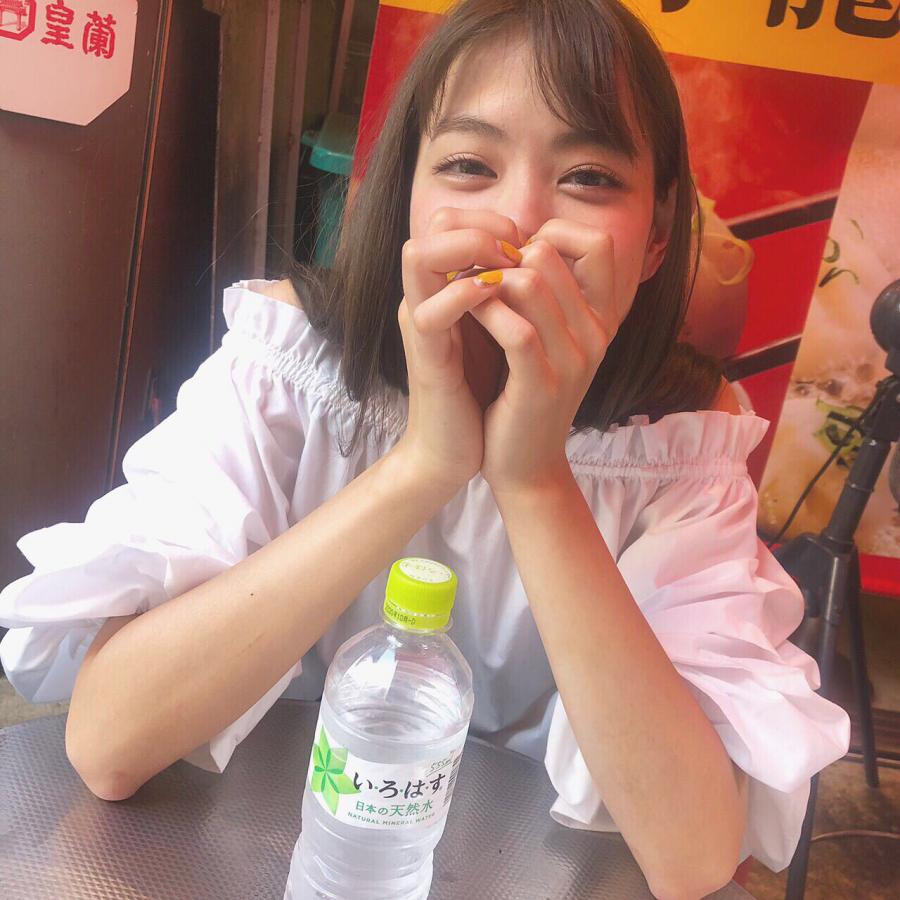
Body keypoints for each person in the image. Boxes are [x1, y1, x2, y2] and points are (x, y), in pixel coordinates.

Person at [0, 1, 849, 897]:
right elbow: (108, 744)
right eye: (469, 165)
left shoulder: (682, 442)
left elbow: (694, 856)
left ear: (657, 239)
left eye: (590, 177)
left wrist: (535, 480)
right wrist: (424, 464)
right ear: (405, 193)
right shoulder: (287, 363)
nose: (521, 219)